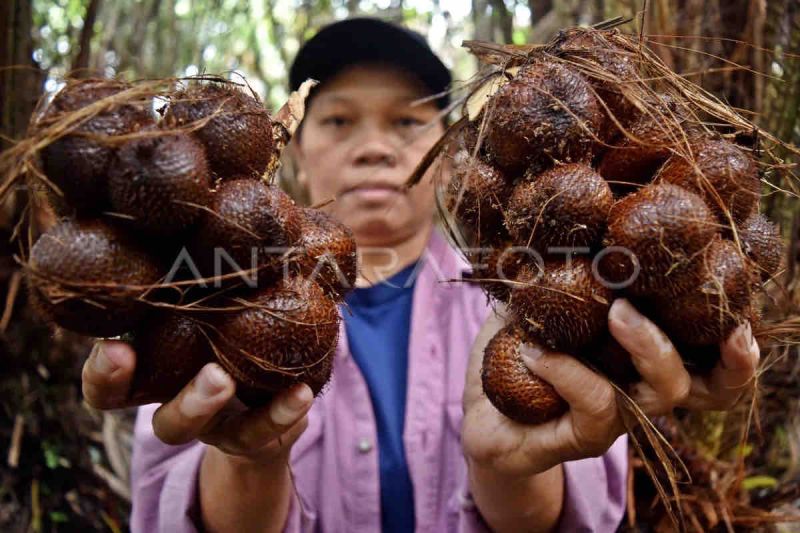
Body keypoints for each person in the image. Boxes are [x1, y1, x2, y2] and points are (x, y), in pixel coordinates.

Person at [81, 18, 761, 532]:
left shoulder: (528, 299)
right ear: (297, 146)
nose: (374, 145)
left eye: (406, 121)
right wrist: (252, 453)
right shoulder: (207, 303)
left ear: (446, 152)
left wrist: (505, 465)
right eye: (341, 120)